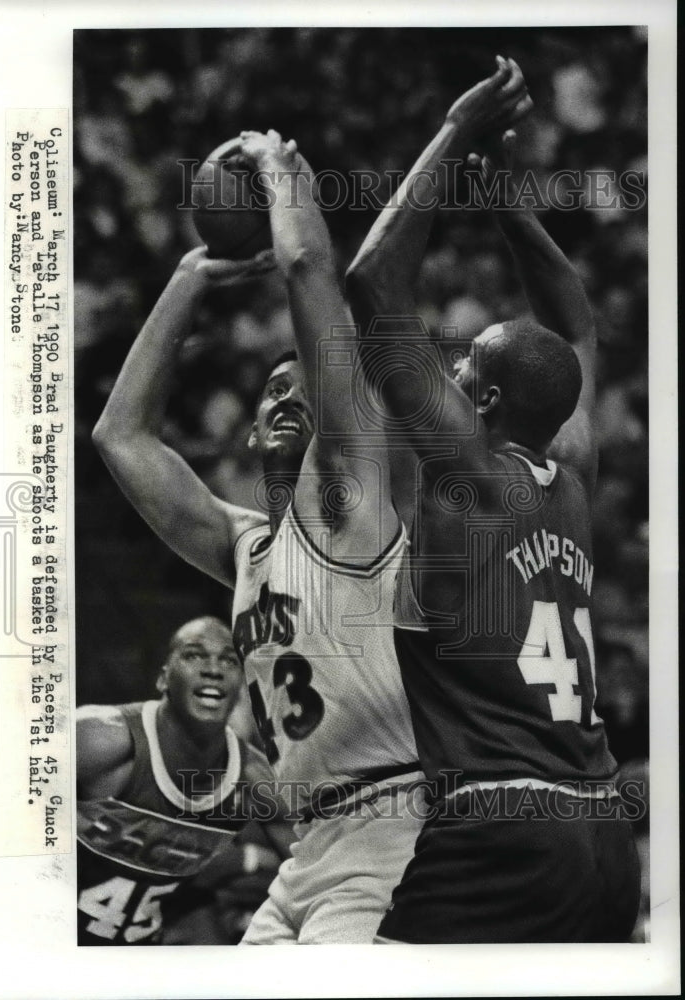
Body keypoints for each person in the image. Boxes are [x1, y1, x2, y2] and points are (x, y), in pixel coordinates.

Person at [93, 131, 425, 944]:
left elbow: (314, 275)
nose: (287, 399)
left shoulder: (350, 506)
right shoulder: (242, 548)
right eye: (272, 390)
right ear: (247, 434)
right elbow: (120, 438)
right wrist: (186, 279)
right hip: (307, 846)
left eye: (306, 391)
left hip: (395, 824)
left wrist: (283, 179)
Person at [346, 56, 641, 942]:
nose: (451, 365)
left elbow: (371, 282)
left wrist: (454, 133)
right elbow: (580, 326)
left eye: (464, 361)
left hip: (501, 826)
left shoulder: (468, 476)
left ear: (479, 403)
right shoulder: (575, 476)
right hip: (603, 831)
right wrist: (513, 211)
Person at [76, 615, 289, 945]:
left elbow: (314, 871)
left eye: (229, 661)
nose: (213, 669)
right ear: (163, 679)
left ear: (240, 689)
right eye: (194, 655)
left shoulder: (256, 779)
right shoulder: (95, 739)